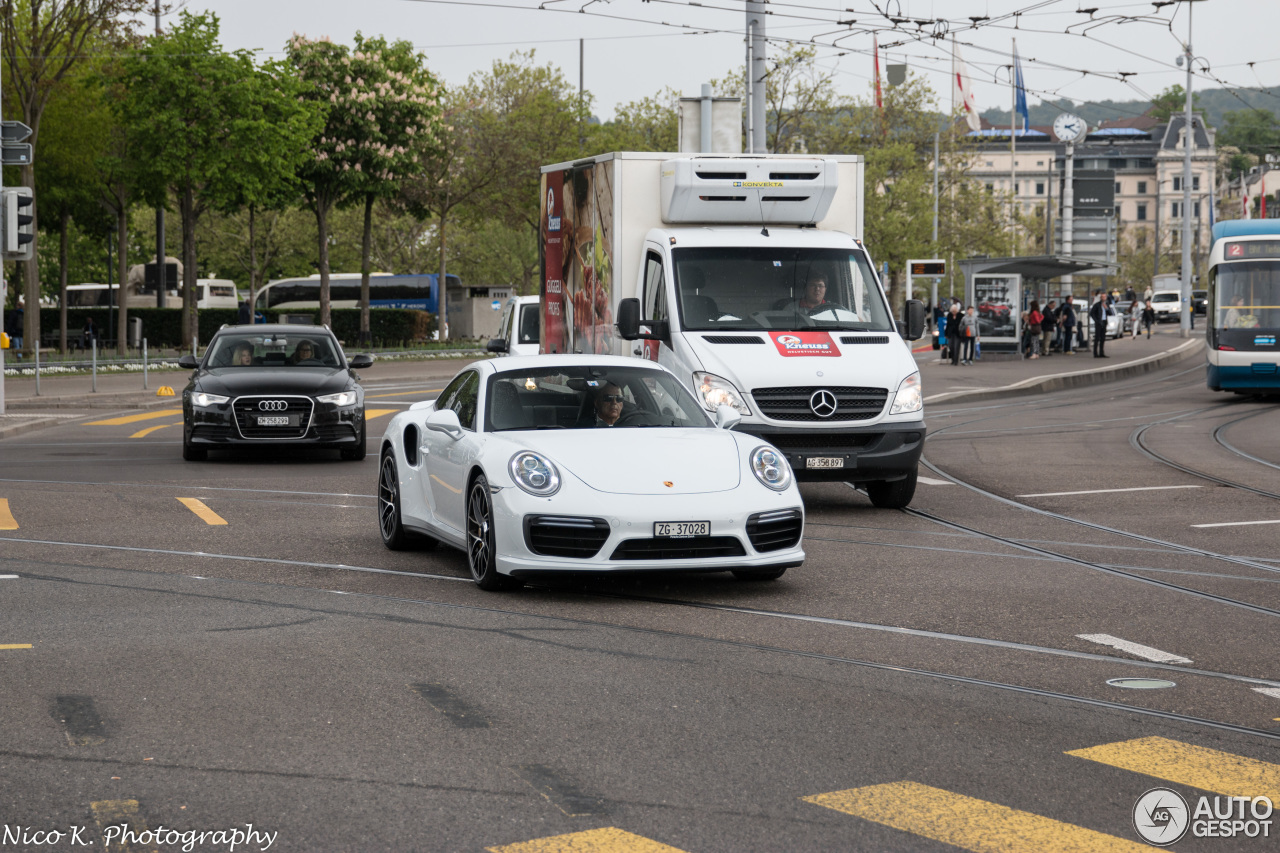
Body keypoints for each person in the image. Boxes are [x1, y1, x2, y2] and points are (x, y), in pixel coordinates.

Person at [1089, 290, 1112, 358]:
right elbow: (1092, 313)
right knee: (1097, 338)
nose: (1103, 298)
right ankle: (1095, 353)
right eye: (1102, 297)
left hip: (1104, 322)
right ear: (1100, 298)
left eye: (1104, 297)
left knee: (1103, 338)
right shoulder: (1097, 305)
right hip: (1099, 322)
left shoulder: (1107, 304)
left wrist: (1106, 308)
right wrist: (1096, 320)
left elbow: (1110, 313)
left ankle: (1102, 352)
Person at [948, 302, 964, 366]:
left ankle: (956, 361)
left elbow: (961, 324)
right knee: (951, 346)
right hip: (951, 333)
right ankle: (952, 359)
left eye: (955, 310)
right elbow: (948, 325)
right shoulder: (949, 315)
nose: (953, 312)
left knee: (956, 347)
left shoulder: (960, 315)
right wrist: (946, 334)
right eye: (953, 310)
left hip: (958, 333)